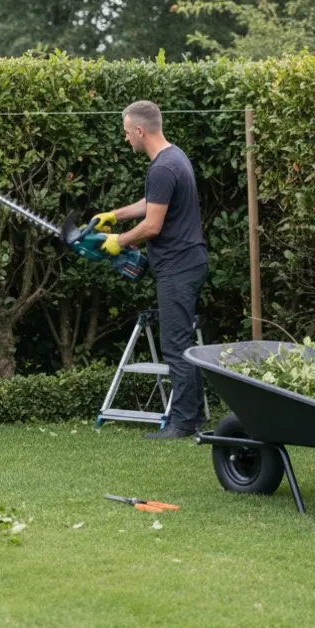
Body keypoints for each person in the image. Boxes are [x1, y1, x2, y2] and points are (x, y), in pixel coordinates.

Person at [90, 101, 209, 439]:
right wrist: (115, 214)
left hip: (178, 267)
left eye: (128, 134)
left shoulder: (161, 168)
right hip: (187, 262)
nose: (127, 139)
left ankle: (183, 422)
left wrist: (117, 241)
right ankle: (193, 416)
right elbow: (151, 203)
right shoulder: (174, 157)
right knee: (181, 340)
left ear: (140, 131)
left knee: (176, 343)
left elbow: (152, 225)